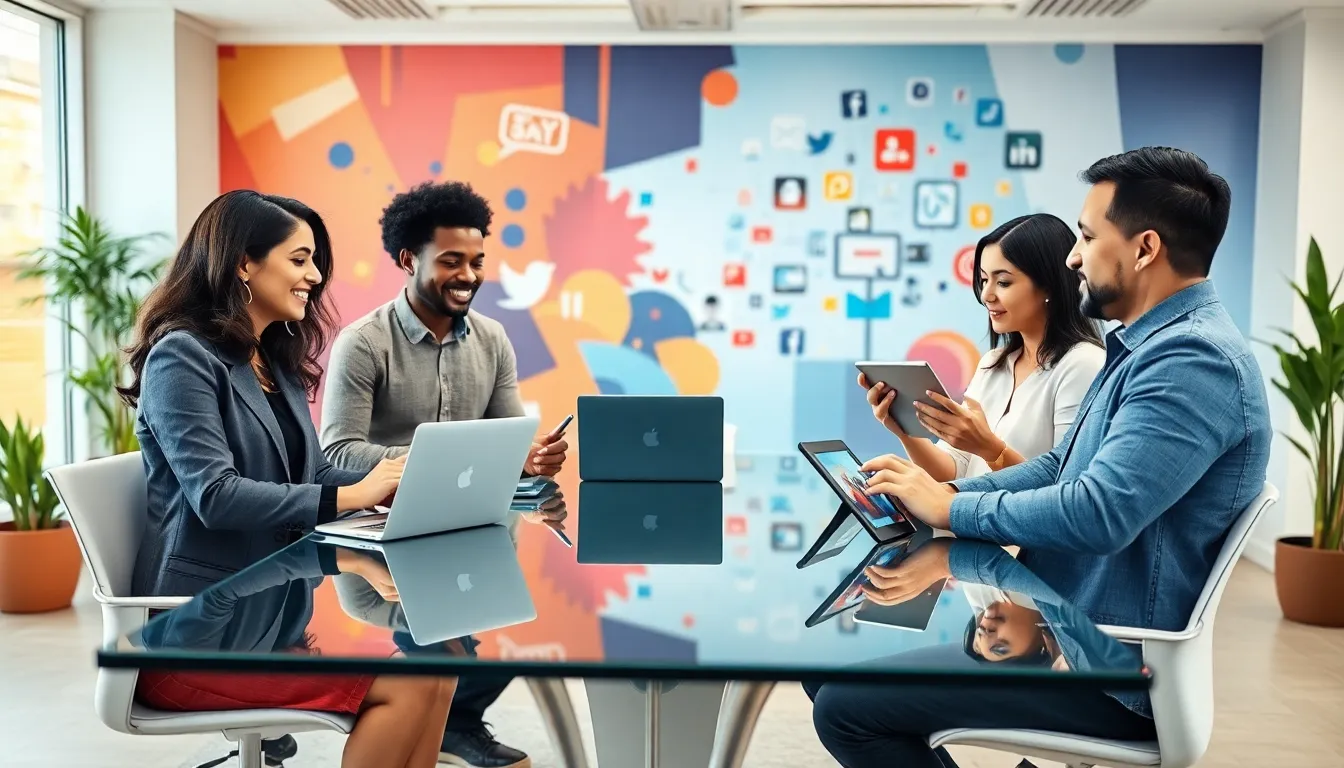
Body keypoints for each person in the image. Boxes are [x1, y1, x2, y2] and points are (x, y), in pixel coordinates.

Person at [811, 147, 1272, 767]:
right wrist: (945, 502)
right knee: (827, 680)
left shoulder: (1192, 361)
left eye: (1085, 236)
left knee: (845, 708)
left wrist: (952, 506)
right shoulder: (1144, 348)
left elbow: (1099, 512)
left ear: (1144, 249)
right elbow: (1062, 469)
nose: (1074, 258)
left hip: (1112, 671)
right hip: (1078, 631)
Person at [119, 190, 456, 768]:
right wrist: (353, 495)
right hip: (195, 645)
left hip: (270, 623)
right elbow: (215, 497)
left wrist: (400, 469)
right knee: (408, 686)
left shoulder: (271, 360)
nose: (315, 275)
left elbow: (313, 472)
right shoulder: (181, 356)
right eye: (299, 259)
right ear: (243, 263)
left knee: (439, 669)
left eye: (314, 261)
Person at [319, 180, 568, 768]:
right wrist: (429, 458)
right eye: (451, 261)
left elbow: (507, 439)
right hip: (383, 541)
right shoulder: (362, 344)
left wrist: (530, 460)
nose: (468, 275)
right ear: (409, 259)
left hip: (469, 531)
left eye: (477, 262)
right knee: (452, 636)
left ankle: (452, 723)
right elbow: (335, 453)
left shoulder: (492, 338)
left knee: (526, 631)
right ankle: (443, 724)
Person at [859, 213, 1104, 483]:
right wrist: (903, 429)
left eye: (1003, 282)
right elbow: (954, 469)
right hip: (968, 525)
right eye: (984, 280)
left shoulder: (1083, 365)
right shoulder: (993, 363)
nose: (987, 295)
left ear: (1049, 285)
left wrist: (989, 449)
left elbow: (1067, 491)